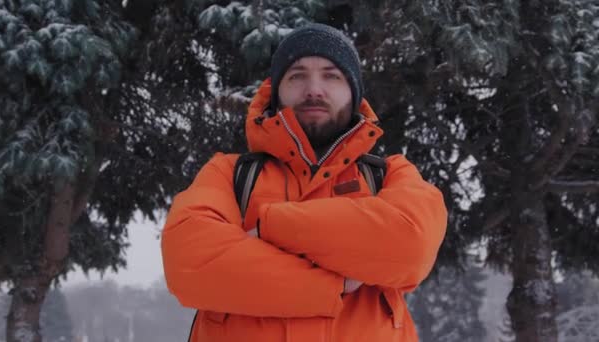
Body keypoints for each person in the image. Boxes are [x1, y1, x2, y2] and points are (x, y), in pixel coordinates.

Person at [161, 23, 447, 342]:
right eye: (297, 75)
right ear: (276, 92)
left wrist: (270, 228)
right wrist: (336, 283)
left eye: (331, 75)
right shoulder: (228, 174)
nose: (313, 89)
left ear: (354, 93)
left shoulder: (391, 175)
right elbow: (190, 266)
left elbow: (411, 246)